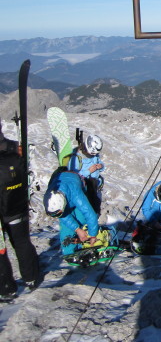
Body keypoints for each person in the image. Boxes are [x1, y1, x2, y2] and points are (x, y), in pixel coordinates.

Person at [0, 120, 40, 301]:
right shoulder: (14, 148)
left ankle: (7, 288)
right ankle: (31, 277)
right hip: (17, 205)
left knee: (0, 250)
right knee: (22, 242)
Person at [43, 169, 100, 256]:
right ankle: (69, 252)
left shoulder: (76, 194)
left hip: (75, 184)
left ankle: (83, 246)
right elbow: (63, 216)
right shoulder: (49, 199)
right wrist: (77, 229)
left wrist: (92, 235)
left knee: (81, 218)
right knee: (66, 227)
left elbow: (89, 213)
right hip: (64, 186)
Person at [67, 134, 105, 216]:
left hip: (95, 185)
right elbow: (73, 175)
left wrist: (101, 166)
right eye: (92, 154)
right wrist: (88, 171)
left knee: (95, 207)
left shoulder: (95, 155)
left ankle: (94, 221)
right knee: (88, 209)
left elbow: (99, 162)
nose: (93, 156)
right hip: (85, 187)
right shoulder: (76, 158)